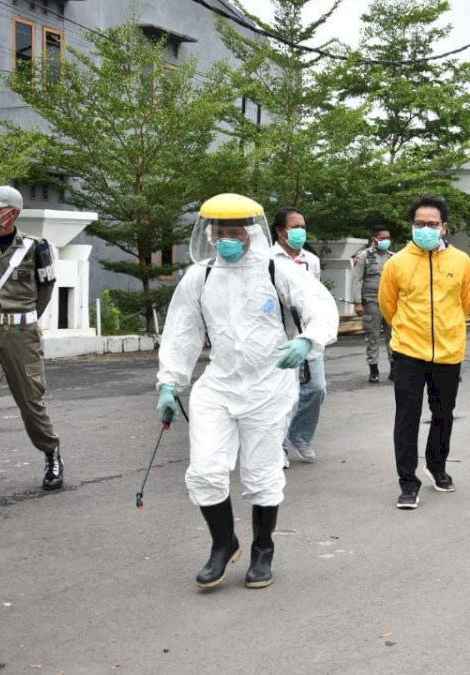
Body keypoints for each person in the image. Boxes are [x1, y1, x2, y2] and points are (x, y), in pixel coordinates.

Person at [158, 193, 337, 589]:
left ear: (251, 233)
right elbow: (181, 332)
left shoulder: (277, 270)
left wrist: (307, 340)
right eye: (220, 232)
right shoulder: (200, 276)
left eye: (235, 232)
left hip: (269, 385)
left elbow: (319, 306)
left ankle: (262, 550)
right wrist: (170, 382)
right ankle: (223, 544)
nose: (228, 239)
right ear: (209, 233)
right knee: (205, 469)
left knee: (261, 473)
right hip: (218, 384)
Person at [0, 185, 62, 515]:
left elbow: (45, 291)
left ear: (12, 213)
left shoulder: (36, 248)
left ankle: (51, 452)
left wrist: (22, 318)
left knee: (31, 404)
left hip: (23, 334)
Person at [379, 195, 470, 509]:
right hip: (408, 351)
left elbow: (466, 303)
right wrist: (409, 331)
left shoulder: (460, 261)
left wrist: (447, 331)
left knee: (443, 414)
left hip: (448, 352)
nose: (425, 229)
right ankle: (408, 482)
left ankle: (437, 466)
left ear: (443, 228)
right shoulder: (397, 263)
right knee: (406, 418)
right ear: (412, 226)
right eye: (419, 224)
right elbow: (388, 306)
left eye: (432, 224)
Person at [270, 207, 329, 467]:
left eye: (303, 226)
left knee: (316, 388)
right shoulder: (268, 259)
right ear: (281, 231)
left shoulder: (311, 261)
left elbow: (314, 298)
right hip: (279, 337)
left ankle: (300, 436)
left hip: (307, 336)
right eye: (295, 227)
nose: (300, 232)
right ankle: (278, 447)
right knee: (283, 395)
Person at [351, 225, 394, 383]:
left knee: (393, 336)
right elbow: (356, 279)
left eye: (388, 238)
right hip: (371, 302)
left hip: (391, 302)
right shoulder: (363, 256)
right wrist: (357, 303)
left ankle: (394, 368)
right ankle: (374, 370)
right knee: (373, 336)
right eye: (383, 238)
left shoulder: (392, 257)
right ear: (374, 239)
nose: (386, 241)